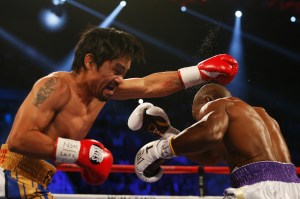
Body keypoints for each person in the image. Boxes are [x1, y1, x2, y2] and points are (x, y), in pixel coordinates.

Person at [0, 25, 238, 198]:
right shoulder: (55, 86)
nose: (119, 79)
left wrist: (201, 72)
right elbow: (20, 139)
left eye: (123, 72)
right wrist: (79, 152)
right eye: (115, 70)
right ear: (90, 62)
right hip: (12, 176)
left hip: (35, 181)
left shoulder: (103, 89)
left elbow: (149, 85)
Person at [129, 83, 300, 198]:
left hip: (258, 189)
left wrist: (160, 149)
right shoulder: (261, 117)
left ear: (207, 100)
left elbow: (209, 133)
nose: (199, 121)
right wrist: (168, 134)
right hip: (294, 187)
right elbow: (209, 156)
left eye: (198, 117)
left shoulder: (220, 104)